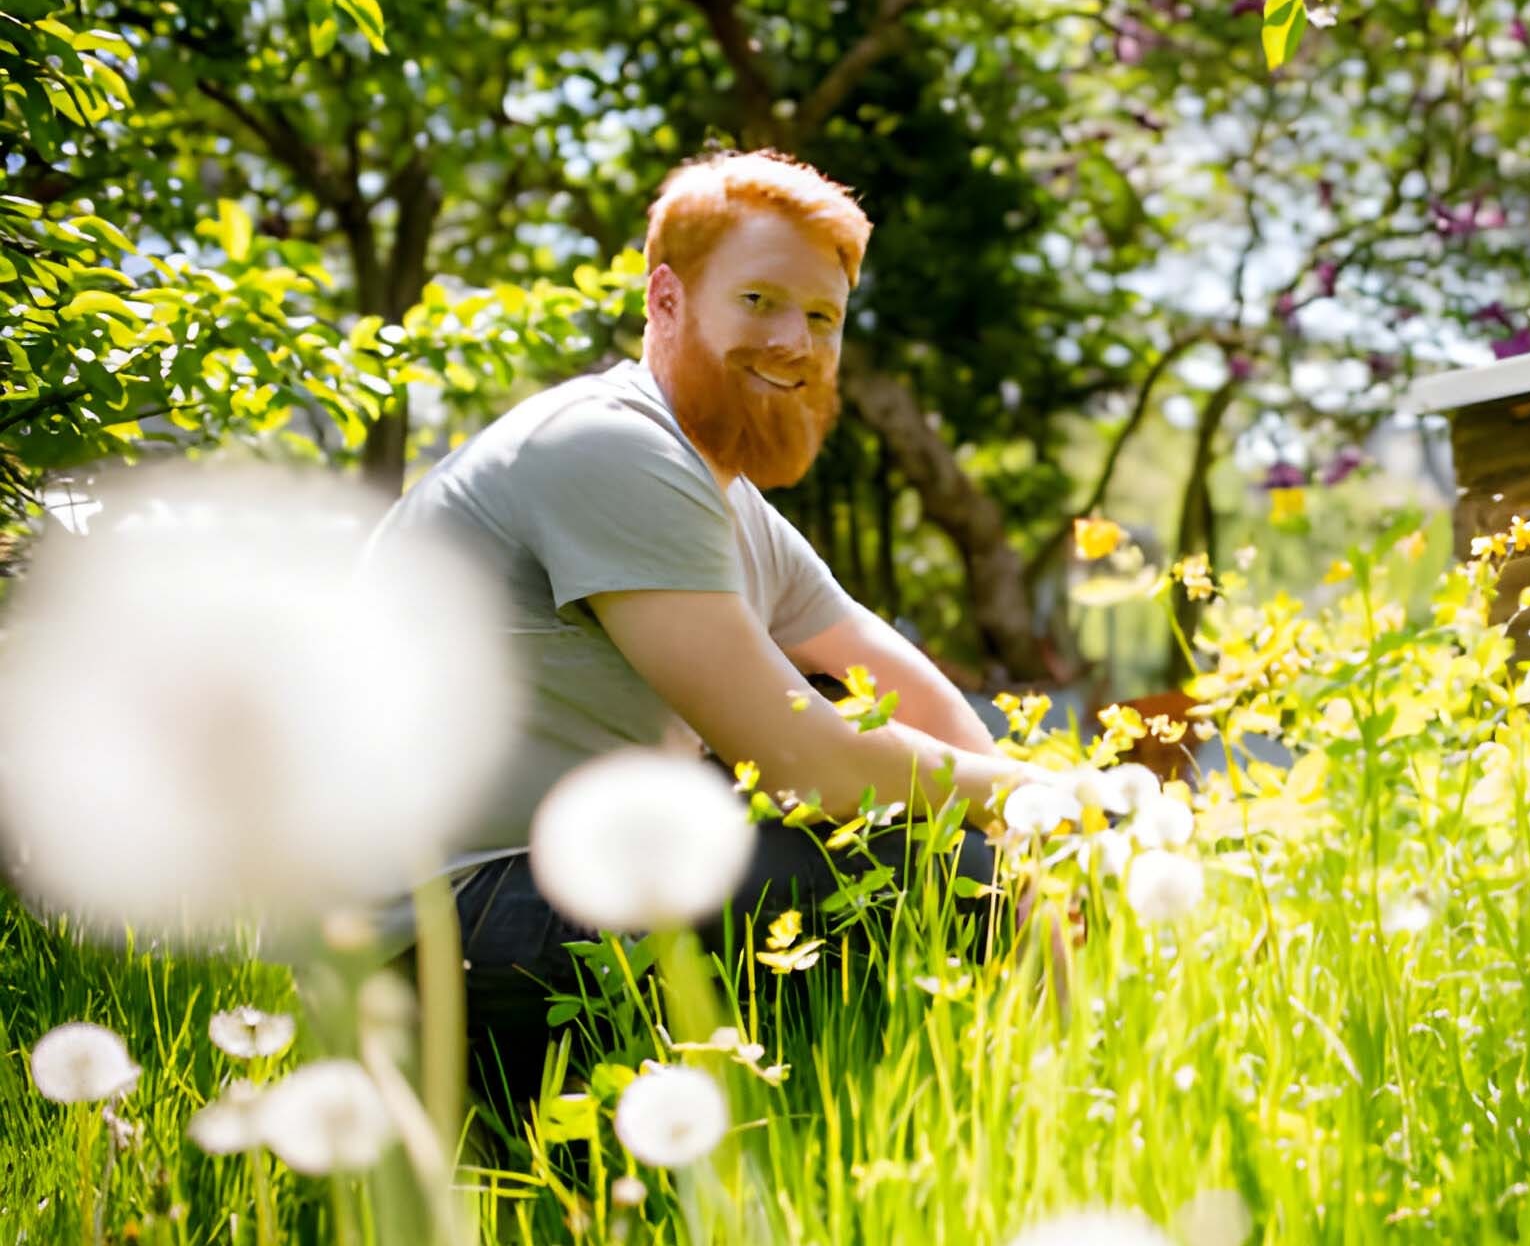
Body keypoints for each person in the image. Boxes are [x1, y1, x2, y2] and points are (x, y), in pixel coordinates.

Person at [364, 148, 1064, 1101]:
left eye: (823, 317)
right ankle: (1007, 1124)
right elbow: (799, 758)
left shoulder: (719, 498)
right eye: (760, 302)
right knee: (939, 881)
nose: (795, 342)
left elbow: (905, 690)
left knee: (972, 865)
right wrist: (1034, 798)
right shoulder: (604, 447)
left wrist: (1033, 846)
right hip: (437, 935)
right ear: (667, 299)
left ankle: (992, 1128)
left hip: (543, 893)